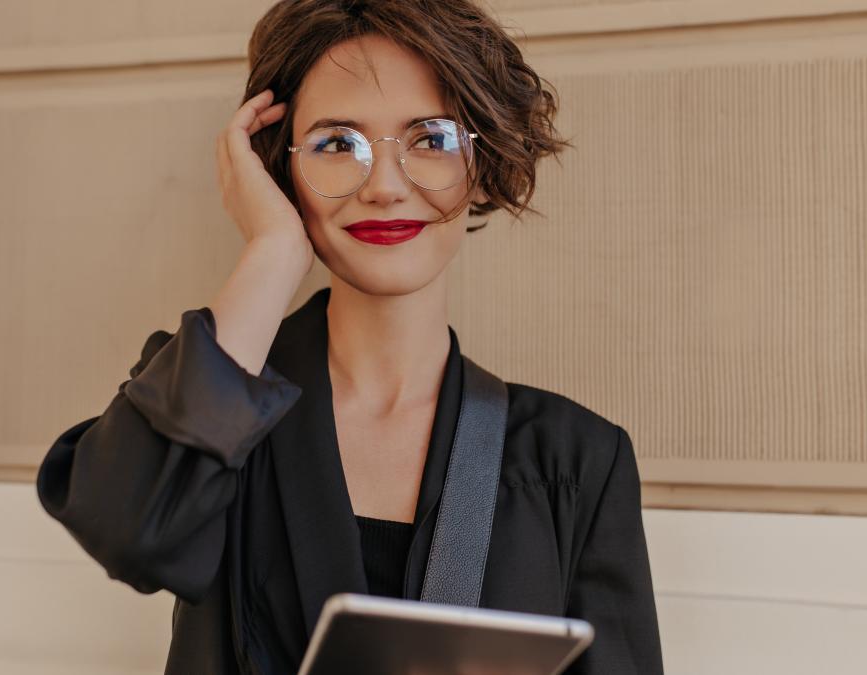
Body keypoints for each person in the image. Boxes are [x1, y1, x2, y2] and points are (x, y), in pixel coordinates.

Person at [35, 1, 663, 673]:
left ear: (479, 165)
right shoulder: (212, 400)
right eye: (338, 144)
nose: (385, 186)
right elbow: (127, 529)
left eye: (431, 138)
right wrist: (274, 252)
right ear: (282, 170)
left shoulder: (576, 463)